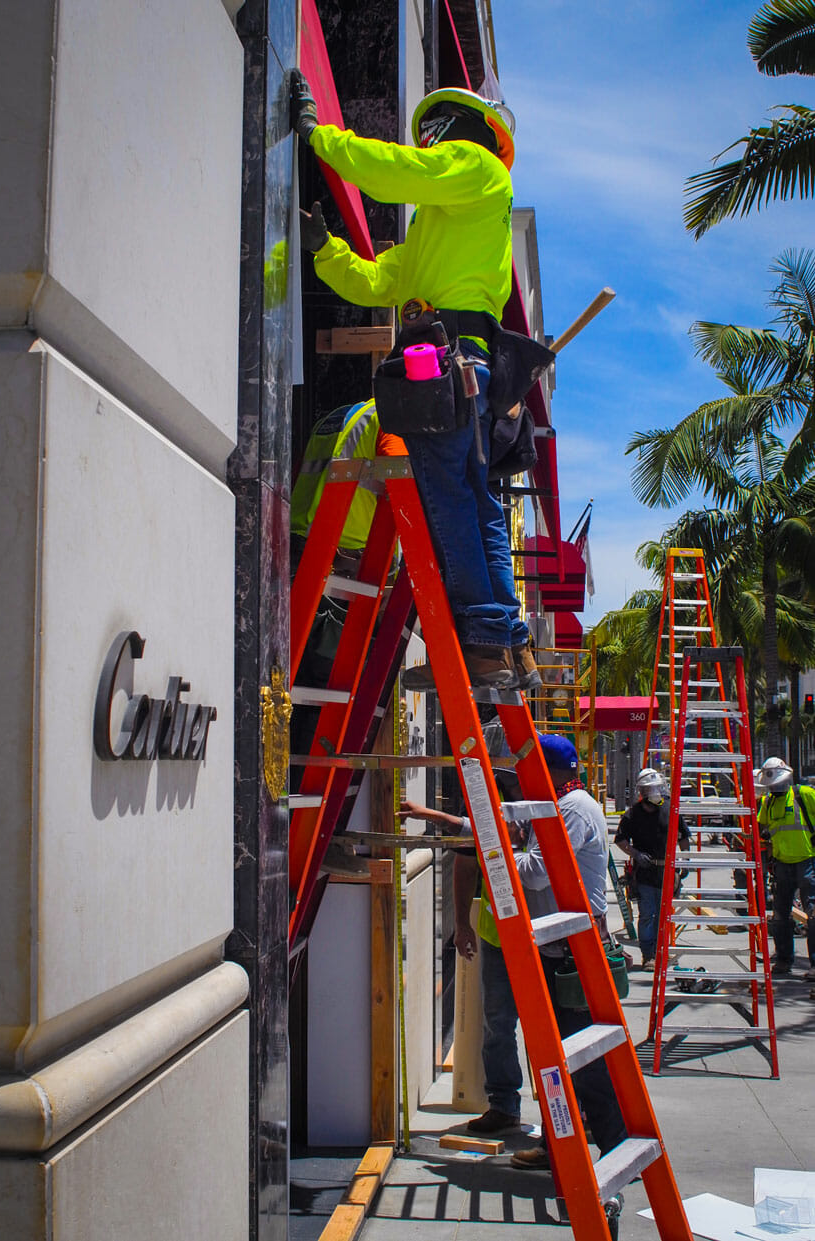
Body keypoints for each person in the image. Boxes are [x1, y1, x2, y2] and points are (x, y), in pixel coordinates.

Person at [289, 71, 545, 693]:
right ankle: (503, 644)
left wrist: (322, 138)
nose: (431, 146)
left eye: (435, 135)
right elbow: (376, 283)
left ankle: (483, 650)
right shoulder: (440, 231)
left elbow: (394, 172)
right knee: (476, 503)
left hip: (446, 363)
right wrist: (326, 250)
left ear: (463, 134)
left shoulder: (480, 169)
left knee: (450, 505)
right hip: (464, 369)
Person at [400, 731, 626, 1168]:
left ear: (551, 770)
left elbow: (537, 871)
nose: (520, 777)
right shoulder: (555, 806)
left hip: (571, 951)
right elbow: (499, 833)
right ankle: (565, 1142)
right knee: (557, 1052)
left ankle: (608, 1143)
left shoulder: (572, 809)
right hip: (555, 948)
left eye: (527, 767)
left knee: (576, 1055)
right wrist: (439, 818)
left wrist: (496, 852)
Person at [290, 397, 405, 577]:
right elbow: (404, 485)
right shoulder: (391, 415)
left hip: (298, 542)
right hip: (349, 553)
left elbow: (297, 473)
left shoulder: (336, 417)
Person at [615, 768, 688, 971]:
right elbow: (620, 840)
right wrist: (636, 854)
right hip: (645, 873)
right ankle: (649, 955)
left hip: (667, 872)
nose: (655, 794)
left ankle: (661, 951)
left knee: (664, 914)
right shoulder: (633, 814)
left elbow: (683, 836)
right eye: (651, 790)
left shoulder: (670, 810)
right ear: (644, 792)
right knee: (648, 914)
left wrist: (684, 861)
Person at [756, 756, 815, 978]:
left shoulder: (804, 795)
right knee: (780, 916)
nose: (775, 788)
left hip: (807, 861)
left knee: (813, 913)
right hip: (781, 864)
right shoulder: (769, 802)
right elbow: (765, 829)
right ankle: (783, 960)